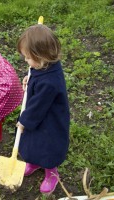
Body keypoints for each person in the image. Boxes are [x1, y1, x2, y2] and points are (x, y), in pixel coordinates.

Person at [16, 24, 70, 194]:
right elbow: (35, 74)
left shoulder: (50, 82)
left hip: (49, 119)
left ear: (41, 56)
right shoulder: (43, 65)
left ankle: (51, 172)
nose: (25, 61)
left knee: (47, 145)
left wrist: (24, 121)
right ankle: (34, 161)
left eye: (27, 57)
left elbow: (38, 106)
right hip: (39, 116)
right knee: (33, 142)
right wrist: (29, 79)